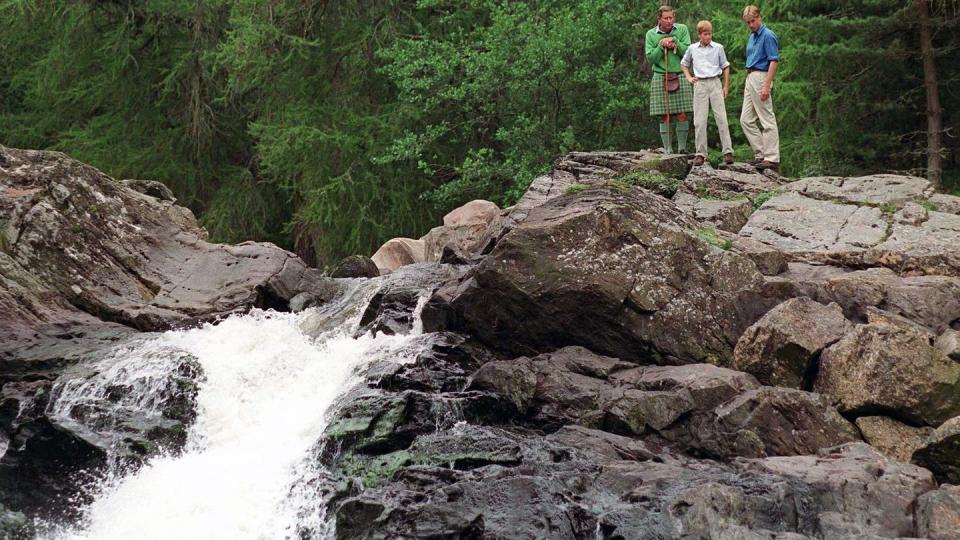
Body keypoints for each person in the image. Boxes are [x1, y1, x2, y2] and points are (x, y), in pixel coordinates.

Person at [680, 20, 734, 167]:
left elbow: (726, 66)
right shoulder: (692, 49)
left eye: (710, 33)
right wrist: (689, 77)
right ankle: (701, 153)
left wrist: (725, 85)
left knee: (721, 118)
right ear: (699, 34)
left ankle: (728, 152)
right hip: (700, 84)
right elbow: (684, 64)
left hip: (715, 82)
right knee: (699, 120)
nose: (708, 36)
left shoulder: (718, 48)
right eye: (705, 34)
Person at [644, 5, 693, 154]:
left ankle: (682, 149)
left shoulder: (682, 29)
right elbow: (651, 58)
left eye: (671, 17)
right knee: (664, 116)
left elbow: (689, 52)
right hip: (660, 75)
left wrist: (675, 42)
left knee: (682, 114)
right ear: (659, 19)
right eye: (666, 18)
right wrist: (661, 45)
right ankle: (668, 150)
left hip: (680, 74)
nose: (669, 21)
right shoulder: (651, 34)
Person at [740, 5, 780, 171]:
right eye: (748, 22)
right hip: (751, 76)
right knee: (746, 119)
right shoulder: (752, 36)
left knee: (766, 118)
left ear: (759, 18)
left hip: (762, 76)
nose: (751, 25)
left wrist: (766, 85)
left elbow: (773, 60)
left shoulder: (768, 35)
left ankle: (772, 157)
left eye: (753, 21)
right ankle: (760, 153)